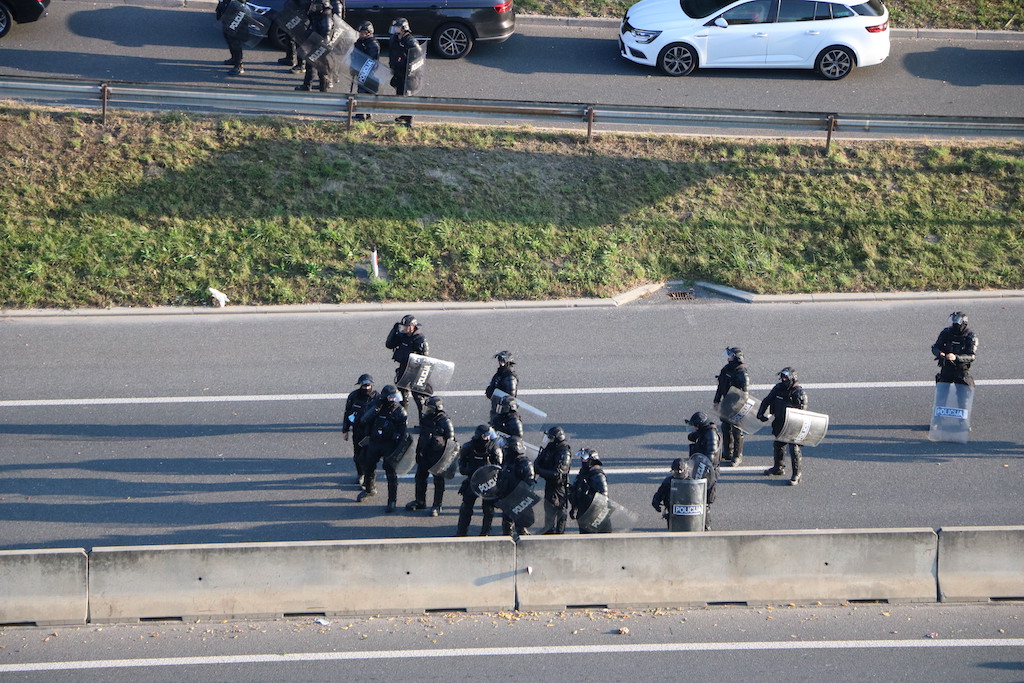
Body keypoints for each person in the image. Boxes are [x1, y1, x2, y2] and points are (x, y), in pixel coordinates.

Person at [357, 384, 408, 511]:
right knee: (368, 466)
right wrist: (376, 408)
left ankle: (392, 500)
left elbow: (403, 430)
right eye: (391, 398)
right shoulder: (375, 406)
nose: (394, 400)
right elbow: (364, 420)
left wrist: (397, 437)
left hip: (389, 444)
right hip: (375, 442)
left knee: (390, 472)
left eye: (395, 397)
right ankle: (369, 489)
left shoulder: (399, 411)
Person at [757, 367, 808, 485]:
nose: (783, 380)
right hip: (779, 422)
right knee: (778, 444)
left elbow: (803, 414)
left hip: (793, 425)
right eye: (782, 377)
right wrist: (761, 413)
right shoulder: (778, 388)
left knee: (794, 448)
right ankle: (778, 467)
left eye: (786, 378)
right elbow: (767, 400)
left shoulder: (798, 393)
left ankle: (796, 474)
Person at [405, 395, 454, 516]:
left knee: (438, 481)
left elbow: (451, 442)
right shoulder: (426, 419)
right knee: (420, 477)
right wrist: (418, 451)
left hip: (438, 456)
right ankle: (420, 501)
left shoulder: (445, 421)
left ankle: (437, 505)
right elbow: (422, 436)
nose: (427, 410)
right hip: (425, 453)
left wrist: (446, 459)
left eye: (430, 408)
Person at [455, 425, 503, 536]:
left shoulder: (494, 449)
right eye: (486, 435)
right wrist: (469, 471)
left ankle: (485, 533)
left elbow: (499, 468)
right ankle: (461, 533)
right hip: (472, 481)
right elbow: (462, 466)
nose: (488, 438)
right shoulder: (468, 447)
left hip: (488, 483)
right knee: (466, 508)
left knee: (488, 509)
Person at [652, 455, 717, 531]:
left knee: (705, 508)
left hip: (691, 514)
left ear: (685, 470)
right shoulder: (668, 482)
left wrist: (712, 486)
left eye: (681, 470)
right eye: (677, 471)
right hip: (674, 514)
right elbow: (659, 493)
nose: (679, 472)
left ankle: (705, 527)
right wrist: (656, 502)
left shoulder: (693, 482)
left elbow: (704, 499)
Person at [385, 314, 429, 417]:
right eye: (402, 327)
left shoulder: (420, 339)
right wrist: (394, 331)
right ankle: (403, 417)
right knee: (402, 395)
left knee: (418, 397)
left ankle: (423, 420)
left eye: (406, 327)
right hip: (404, 368)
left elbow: (425, 359)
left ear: (412, 327)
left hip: (416, 371)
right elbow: (389, 344)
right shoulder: (402, 336)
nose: (403, 329)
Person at [713, 346, 749, 466]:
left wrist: (739, 408)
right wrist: (717, 400)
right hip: (726, 403)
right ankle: (727, 452)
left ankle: (737, 456)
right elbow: (720, 386)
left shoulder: (742, 374)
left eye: (731, 356)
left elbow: (745, 395)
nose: (728, 358)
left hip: (737, 406)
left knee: (737, 431)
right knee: (725, 427)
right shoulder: (726, 369)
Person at [533, 425, 572, 534]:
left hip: (559, 486)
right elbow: (540, 459)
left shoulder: (564, 452)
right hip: (549, 483)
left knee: (560, 510)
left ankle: (559, 533)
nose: (549, 440)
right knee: (548, 507)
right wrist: (538, 466)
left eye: (551, 438)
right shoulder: (551, 447)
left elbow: (557, 474)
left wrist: (540, 471)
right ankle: (548, 528)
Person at [295, 3, 341, 92]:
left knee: (317, 66)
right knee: (315, 66)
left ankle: (316, 87)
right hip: (318, 43)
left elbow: (325, 31)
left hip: (320, 44)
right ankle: (317, 86)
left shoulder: (326, 18)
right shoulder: (321, 16)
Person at [342, 373, 377, 487]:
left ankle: (369, 479)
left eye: (368, 385)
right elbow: (348, 413)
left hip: (371, 432)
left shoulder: (377, 397)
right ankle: (360, 474)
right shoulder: (354, 396)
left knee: (370, 456)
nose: (366, 388)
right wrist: (345, 430)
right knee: (358, 456)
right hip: (358, 431)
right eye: (364, 385)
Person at [497, 437, 537, 538]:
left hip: (518, 499)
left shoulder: (525, 463)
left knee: (520, 525)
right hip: (507, 497)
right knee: (506, 524)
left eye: (507, 447)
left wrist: (521, 498)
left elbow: (530, 484)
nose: (504, 449)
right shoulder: (508, 461)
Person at [388, 17, 424, 123]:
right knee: (400, 95)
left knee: (407, 95)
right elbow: (392, 54)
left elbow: (417, 58)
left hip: (408, 75)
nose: (395, 29)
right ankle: (404, 115)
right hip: (398, 72)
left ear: (404, 28)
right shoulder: (394, 39)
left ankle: (409, 119)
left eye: (397, 27)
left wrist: (409, 69)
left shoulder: (411, 42)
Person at [932, 311, 978, 392]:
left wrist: (956, 357)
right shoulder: (946, 332)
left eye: (957, 324)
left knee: (963, 394)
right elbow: (935, 347)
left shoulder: (970, 336)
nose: (954, 325)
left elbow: (972, 356)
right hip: (946, 368)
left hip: (960, 370)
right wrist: (940, 353)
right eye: (953, 323)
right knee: (942, 392)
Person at [569, 448, 610, 534]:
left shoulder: (598, 475)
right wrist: (574, 507)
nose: (582, 461)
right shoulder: (582, 473)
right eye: (582, 458)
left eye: (585, 458)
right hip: (582, 513)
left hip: (593, 514)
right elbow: (577, 491)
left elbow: (604, 498)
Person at [215, 0, 249, 76]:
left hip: (237, 12)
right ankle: (234, 58)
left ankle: (239, 65)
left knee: (235, 40)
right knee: (228, 37)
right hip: (227, 9)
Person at [485, 350, 518, 422]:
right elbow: (491, 392)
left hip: (505, 414)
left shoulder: (509, 377)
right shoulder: (499, 374)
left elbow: (510, 398)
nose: (500, 363)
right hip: (497, 411)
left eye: (502, 361)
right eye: (500, 361)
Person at [350, 20, 381, 97]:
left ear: (369, 33)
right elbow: (355, 54)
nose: (360, 34)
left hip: (369, 75)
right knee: (360, 92)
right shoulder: (360, 42)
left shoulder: (373, 44)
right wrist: (353, 66)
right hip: (360, 72)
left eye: (362, 33)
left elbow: (371, 61)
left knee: (367, 94)